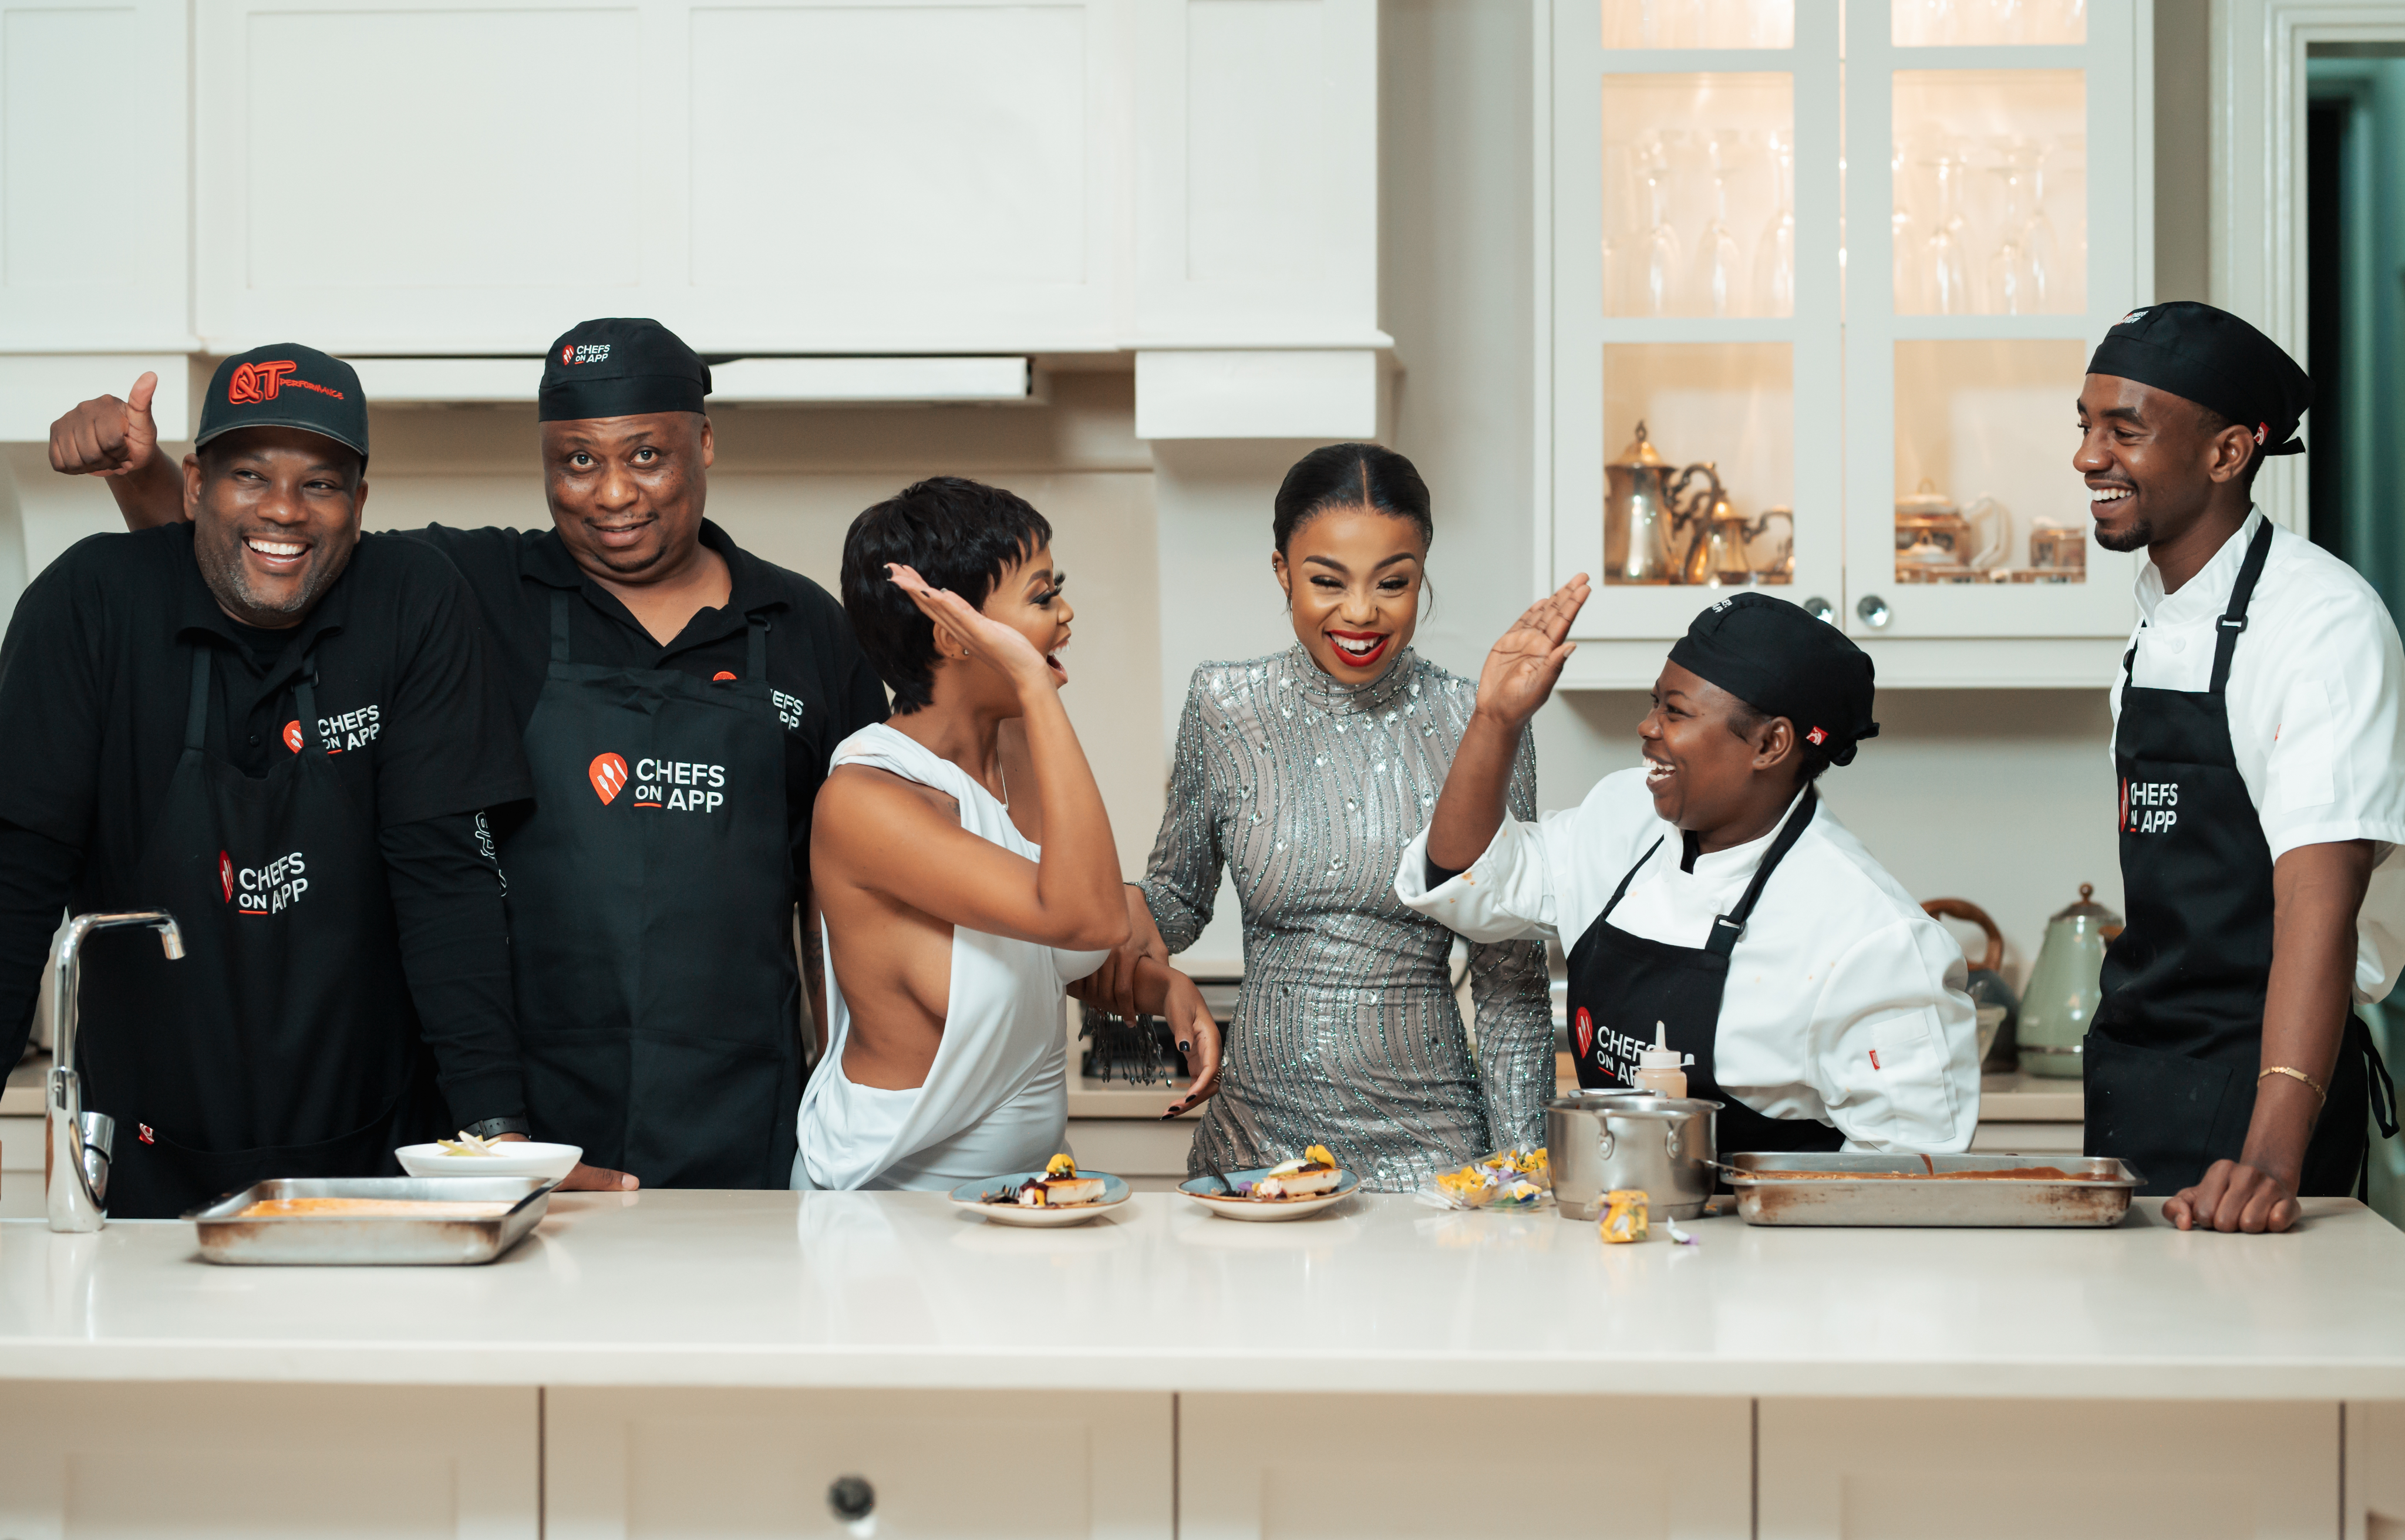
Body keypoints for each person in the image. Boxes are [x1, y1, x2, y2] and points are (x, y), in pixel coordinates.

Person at [45, 318, 889, 1191]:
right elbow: (265, 564)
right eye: (576, 461)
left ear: (703, 441)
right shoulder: (465, 590)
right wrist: (143, 476)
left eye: (645, 456)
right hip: (512, 1121)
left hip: (746, 1114)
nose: (610, 494)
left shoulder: (806, 631)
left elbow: (847, 905)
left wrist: (857, 1113)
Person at [0, 345, 532, 1216]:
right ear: (195, 482)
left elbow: (446, 881)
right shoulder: (91, 603)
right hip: (140, 1167)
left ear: (359, 503)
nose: (284, 508)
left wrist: (495, 1130)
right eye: (250, 474)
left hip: (379, 1164)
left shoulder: (412, 601)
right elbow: (16, 881)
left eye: (320, 483)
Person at [1091, 444, 1552, 1192]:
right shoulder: (1224, 706)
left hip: (1429, 1149)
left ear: (1423, 570)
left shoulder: (1481, 720)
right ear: (1282, 571)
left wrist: (1526, 1172)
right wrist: (1054, 910)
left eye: (1393, 582)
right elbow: (1173, 901)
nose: (1362, 613)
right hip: (1254, 1146)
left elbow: (1510, 980)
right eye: (1326, 581)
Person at [1399, 588, 1981, 1154]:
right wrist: (1495, 719)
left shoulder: (1874, 941)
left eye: (1674, 712)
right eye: (1655, 702)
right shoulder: (1621, 817)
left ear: (1771, 744)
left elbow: (1909, 1177)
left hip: (1768, 1246)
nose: (1647, 727)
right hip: (1614, 1229)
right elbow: (1467, 878)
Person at [2075, 301, 2404, 1232]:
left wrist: (2268, 1156)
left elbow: (2319, 905)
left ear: (2227, 454)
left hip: (2258, 1105)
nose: (2088, 457)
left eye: (2124, 430)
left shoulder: (2323, 626)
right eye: (2086, 426)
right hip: (2139, 1075)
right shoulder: (2153, 629)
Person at [797, 478, 1218, 1189]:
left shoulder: (1017, 746)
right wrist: (1028, 678)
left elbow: (1034, 954)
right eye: (1042, 596)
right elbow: (1088, 917)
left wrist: (1161, 990)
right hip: (887, 1201)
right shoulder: (867, 800)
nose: (1066, 614)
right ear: (953, 636)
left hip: (1027, 1192)